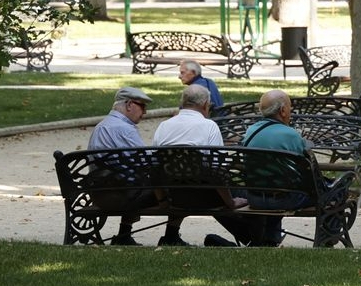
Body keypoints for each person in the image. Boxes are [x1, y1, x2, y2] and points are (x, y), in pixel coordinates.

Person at [152, 84, 261, 248]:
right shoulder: (209, 126)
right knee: (243, 191)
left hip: (174, 196)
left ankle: (171, 235)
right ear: (205, 105)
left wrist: (162, 200)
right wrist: (230, 202)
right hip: (206, 198)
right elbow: (218, 171)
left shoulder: (164, 126)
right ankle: (256, 239)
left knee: (183, 178)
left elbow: (155, 167)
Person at [88, 87, 187, 246]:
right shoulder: (123, 129)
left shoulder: (103, 125)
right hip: (120, 197)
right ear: (128, 105)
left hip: (100, 193)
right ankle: (171, 236)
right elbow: (148, 162)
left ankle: (124, 235)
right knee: (181, 188)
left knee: (136, 180)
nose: (145, 112)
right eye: (142, 106)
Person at [240, 89, 309, 246]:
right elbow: (306, 170)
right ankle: (327, 238)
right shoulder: (290, 134)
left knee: (274, 182)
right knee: (333, 193)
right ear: (283, 110)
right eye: (290, 108)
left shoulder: (251, 131)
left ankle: (270, 239)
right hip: (285, 200)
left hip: (255, 197)